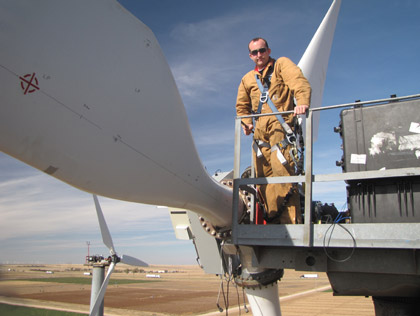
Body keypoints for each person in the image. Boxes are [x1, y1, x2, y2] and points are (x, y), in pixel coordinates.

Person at [236, 37, 311, 224]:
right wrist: (247, 123)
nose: (259, 55)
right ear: (250, 56)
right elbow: (241, 106)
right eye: (254, 52)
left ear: (268, 51)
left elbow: (299, 82)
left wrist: (302, 103)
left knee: (283, 176)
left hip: (281, 130)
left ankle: (290, 225)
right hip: (260, 137)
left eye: (262, 50)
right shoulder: (247, 79)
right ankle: (273, 222)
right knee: (262, 180)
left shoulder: (281, 65)